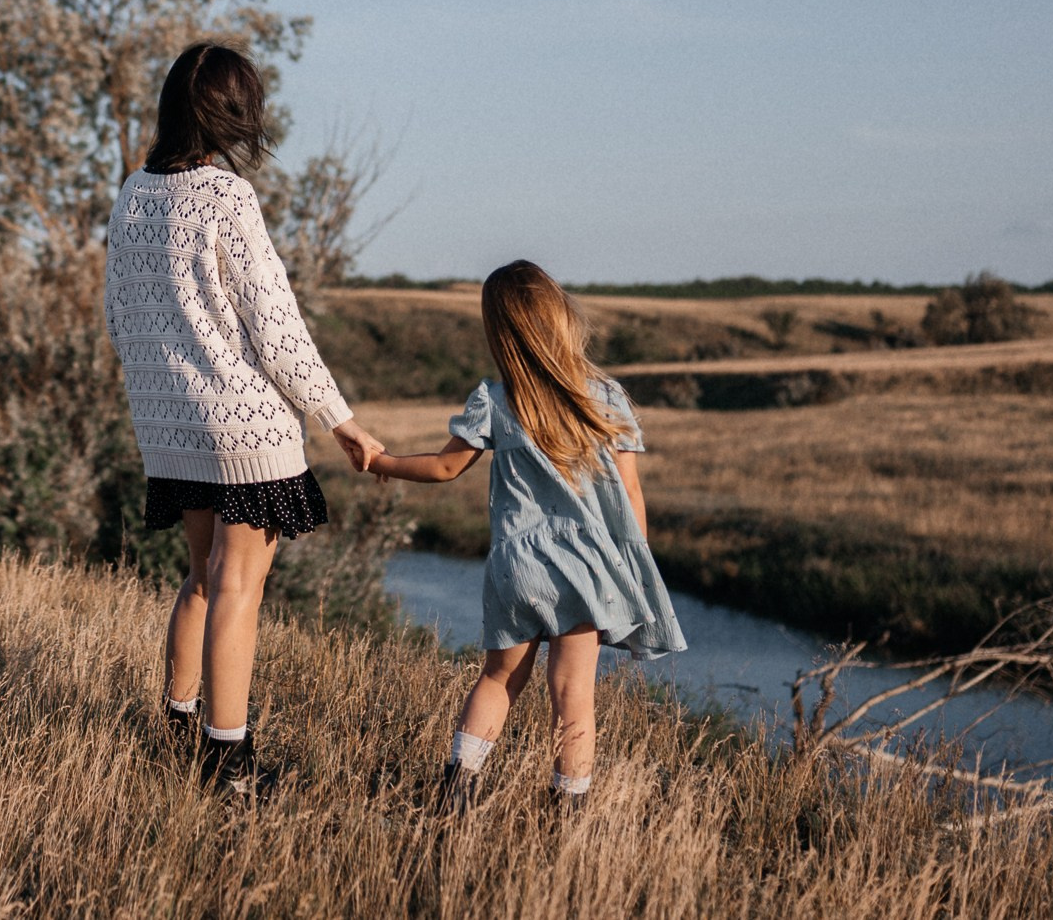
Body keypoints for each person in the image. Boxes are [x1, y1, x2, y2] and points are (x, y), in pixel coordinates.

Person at [104, 41, 385, 797]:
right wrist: (340, 418)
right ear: (233, 112)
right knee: (238, 587)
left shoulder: (131, 193)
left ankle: (177, 725)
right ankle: (229, 763)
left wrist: (158, 394)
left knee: (200, 578)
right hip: (244, 427)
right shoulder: (227, 196)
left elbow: (118, 315)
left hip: (169, 426)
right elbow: (277, 327)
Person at [365, 259, 685, 810]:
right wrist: (633, 564)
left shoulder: (495, 398)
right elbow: (631, 496)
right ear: (561, 318)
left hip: (518, 566)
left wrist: (381, 462)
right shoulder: (606, 396)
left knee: (498, 679)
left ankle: (457, 792)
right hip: (585, 568)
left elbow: (444, 469)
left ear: (500, 332)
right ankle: (569, 808)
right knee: (572, 694)